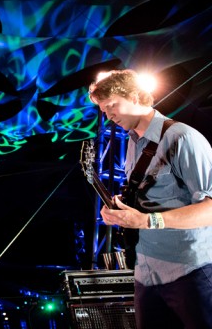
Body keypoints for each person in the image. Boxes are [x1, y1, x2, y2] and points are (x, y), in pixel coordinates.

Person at [88, 69, 212, 328]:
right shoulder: (133, 141)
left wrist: (146, 220)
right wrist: (121, 209)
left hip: (190, 271)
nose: (108, 115)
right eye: (103, 109)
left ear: (134, 96)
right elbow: (153, 194)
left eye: (111, 105)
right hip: (146, 274)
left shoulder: (183, 138)